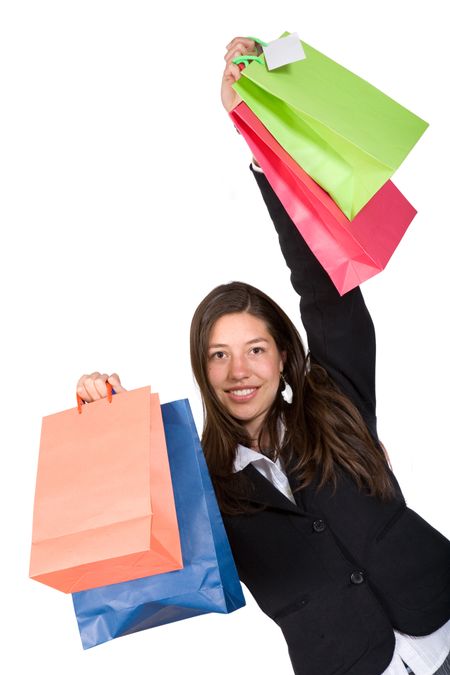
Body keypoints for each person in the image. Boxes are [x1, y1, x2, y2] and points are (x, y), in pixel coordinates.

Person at [76, 38, 450, 675]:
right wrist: (102, 431)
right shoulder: (201, 487)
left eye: (254, 349)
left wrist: (261, 146)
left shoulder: (336, 406)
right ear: (202, 369)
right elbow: (140, 558)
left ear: (283, 354)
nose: (238, 370)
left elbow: (324, 289)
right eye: (218, 355)